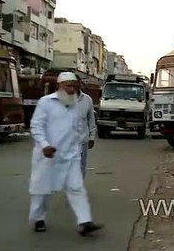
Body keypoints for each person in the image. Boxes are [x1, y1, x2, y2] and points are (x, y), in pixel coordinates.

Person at [28, 71, 103, 235]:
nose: (72, 89)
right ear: (59, 86)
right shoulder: (46, 102)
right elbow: (36, 126)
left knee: (77, 188)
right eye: (68, 86)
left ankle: (85, 222)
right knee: (43, 190)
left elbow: (81, 126)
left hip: (70, 155)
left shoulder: (79, 103)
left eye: (74, 86)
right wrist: (44, 145)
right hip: (48, 155)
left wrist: (86, 140)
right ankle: (38, 219)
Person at [75, 76, 97, 177]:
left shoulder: (87, 100)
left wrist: (92, 137)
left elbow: (91, 120)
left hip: (82, 140)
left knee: (81, 165)